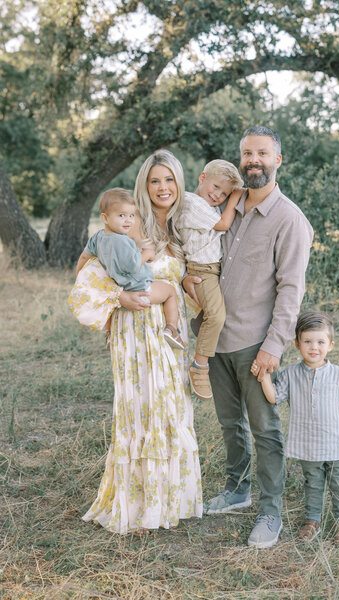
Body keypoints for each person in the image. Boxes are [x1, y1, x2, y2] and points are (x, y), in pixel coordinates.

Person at [184, 125, 314, 548]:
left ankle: (270, 510)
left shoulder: (289, 219)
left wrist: (274, 346)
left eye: (262, 153)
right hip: (214, 338)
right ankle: (237, 490)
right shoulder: (223, 206)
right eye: (247, 154)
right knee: (229, 423)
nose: (253, 160)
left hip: (256, 345)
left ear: (278, 161)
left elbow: (291, 290)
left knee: (266, 429)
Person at [69, 149, 203, 534]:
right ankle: (137, 506)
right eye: (155, 180)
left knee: (170, 410)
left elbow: (183, 281)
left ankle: (171, 500)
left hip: (167, 335)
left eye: (170, 180)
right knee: (139, 411)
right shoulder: (127, 224)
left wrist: (189, 284)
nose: (163, 188)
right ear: (144, 185)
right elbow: (84, 272)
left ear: (179, 183)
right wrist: (117, 299)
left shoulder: (181, 229)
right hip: (132, 334)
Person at [255, 311, 339, 544]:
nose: (314, 347)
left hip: (336, 445)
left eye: (320, 342)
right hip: (308, 446)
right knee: (312, 484)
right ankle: (312, 519)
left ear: (330, 346)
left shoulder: (338, 375)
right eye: (307, 341)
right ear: (297, 344)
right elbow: (275, 397)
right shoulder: (291, 374)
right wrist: (265, 377)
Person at [75, 187, 184, 350]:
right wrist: (147, 254)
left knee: (110, 311)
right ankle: (172, 328)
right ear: (105, 218)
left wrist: (79, 277)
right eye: (121, 215)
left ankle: (109, 333)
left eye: (131, 215)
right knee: (169, 292)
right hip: (140, 289)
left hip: (119, 291)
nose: (128, 220)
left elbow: (85, 257)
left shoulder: (97, 238)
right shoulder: (122, 240)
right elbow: (132, 265)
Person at [177, 160, 243, 400]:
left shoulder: (207, 205)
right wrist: (235, 197)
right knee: (217, 316)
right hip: (202, 269)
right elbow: (224, 224)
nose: (218, 195)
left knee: (217, 313)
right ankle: (200, 366)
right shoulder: (192, 203)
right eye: (215, 187)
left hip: (212, 268)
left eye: (224, 193)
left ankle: (202, 331)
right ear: (202, 177)